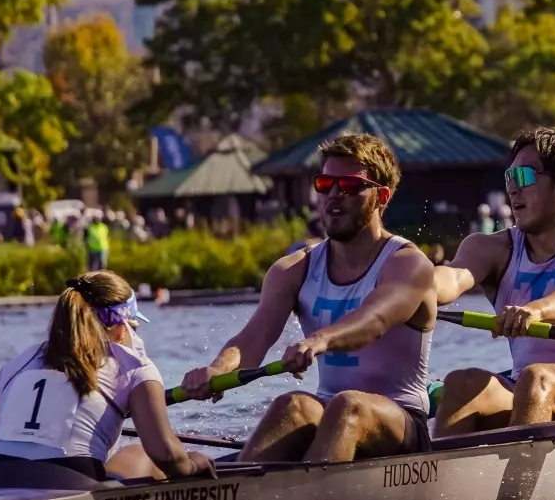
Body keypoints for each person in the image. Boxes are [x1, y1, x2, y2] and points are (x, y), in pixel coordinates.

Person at [176, 133, 435, 462]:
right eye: (325, 183)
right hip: (329, 414)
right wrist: (217, 370)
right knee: (292, 404)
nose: (333, 196)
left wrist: (321, 339)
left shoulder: (408, 265)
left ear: (381, 197)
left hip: (401, 421)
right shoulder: (292, 269)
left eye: (350, 186)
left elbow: (374, 321)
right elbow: (253, 338)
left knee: (348, 404)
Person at [433, 126, 555, 434]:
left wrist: (537, 310)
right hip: (526, 385)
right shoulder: (490, 248)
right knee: (461, 383)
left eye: (524, 177)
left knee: (539, 377)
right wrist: (401, 291)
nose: (512, 190)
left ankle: (518, 480)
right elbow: (450, 278)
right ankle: (442, 481)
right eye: (509, 179)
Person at [0, 271, 212, 492]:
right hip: (68, 485)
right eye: (134, 328)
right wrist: (194, 463)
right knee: (139, 453)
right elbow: (166, 455)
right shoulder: (134, 367)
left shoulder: (17, 364)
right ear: (122, 329)